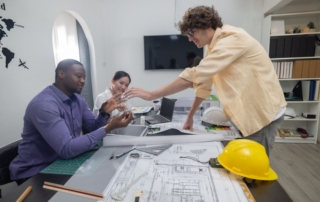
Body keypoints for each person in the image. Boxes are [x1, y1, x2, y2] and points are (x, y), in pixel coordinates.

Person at [124, 6, 286, 156]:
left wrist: (152, 94)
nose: (189, 39)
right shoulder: (212, 48)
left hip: (262, 115)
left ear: (207, 26)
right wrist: (190, 116)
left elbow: (196, 74)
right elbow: (204, 84)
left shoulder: (232, 39)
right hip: (246, 113)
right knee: (241, 159)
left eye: (191, 33)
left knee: (253, 166)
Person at [9, 59, 132, 181]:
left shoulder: (78, 99)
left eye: (84, 77)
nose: (83, 81)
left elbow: (92, 127)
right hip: (35, 172)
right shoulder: (44, 105)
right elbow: (67, 149)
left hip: (62, 161)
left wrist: (104, 113)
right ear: (61, 74)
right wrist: (108, 127)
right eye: (78, 76)